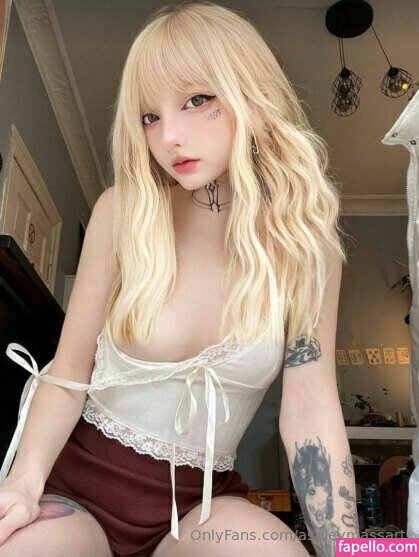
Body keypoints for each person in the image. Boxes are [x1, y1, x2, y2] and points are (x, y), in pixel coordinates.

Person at [0, 1, 358, 555]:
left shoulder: (308, 250)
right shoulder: (122, 213)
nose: (168, 135)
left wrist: (349, 549)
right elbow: (68, 372)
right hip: (79, 492)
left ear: (252, 94)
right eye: (149, 116)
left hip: (202, 508)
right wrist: (23, 485)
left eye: (196, 100)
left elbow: (310, 408)